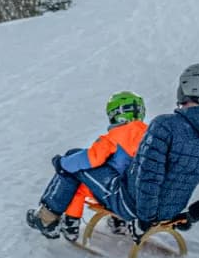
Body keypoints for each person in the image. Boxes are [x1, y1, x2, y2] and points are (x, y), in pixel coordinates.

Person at [26, 64, 199, 242]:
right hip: (170, 211)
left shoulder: (165, 126)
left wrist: (144, 220)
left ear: (182, 91)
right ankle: (90, 221)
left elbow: (149, 175)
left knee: (73, 160)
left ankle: (47, 218)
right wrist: (196, 213)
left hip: (131, 205)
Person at [26, 91, 148, 243]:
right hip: (141, 196)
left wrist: (61, 163)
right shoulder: (150, 134)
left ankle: (51, 219)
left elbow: (92, 158)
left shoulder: (117, 136)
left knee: (73, 166)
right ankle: (117, 223)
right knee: (91, 172)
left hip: (118, 197)